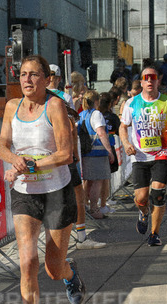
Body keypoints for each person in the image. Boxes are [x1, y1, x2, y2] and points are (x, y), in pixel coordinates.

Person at [0, 55, 84, 304]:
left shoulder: (55, 106)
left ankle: (70, 274)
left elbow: (65, 154)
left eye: (34, 74)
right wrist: (14, 161)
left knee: (53, 269)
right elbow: (2, 147)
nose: (27, 80)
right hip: (25, 194)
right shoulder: (12, 107)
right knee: (27, 262)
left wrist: (29, 165)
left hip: (56, 192)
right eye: (23, 74)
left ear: (47, 80)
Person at [119, 66, 167, 247]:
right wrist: (126, 144)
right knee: (141, 198)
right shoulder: (131, 103)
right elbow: (123, 127)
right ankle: (144, 212)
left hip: (162, 152)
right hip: (139, 156)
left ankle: (155, 234)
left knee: (158, 194)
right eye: (146, 78)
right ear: (141, 82)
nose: (149, 80)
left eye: (152, 77)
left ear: (158, 81)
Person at [47, 65, 103, 249]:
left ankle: (58, 243)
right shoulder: (64, 97)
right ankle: (80, 237)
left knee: (54, 198)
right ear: (58, 79)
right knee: (75, 195)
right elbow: (71, 127)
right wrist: (75, 154)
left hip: (46, 154)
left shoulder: (35, 98)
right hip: (63, 153)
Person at [80, 90, 115, 220]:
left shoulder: (82, 114)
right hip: (97, 153)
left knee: (87, 181)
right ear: (96, 101)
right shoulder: (97, 114)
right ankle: (94, 209)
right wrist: (109, 151)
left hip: (85, 153)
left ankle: (85, 206)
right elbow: (101, 132)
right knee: (97, 182)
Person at [98, 91, 121, 215]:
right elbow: (119, 130)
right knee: (106, 178)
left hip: (93, 150)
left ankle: (95, 203)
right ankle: (103, 203)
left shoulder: (94, 115)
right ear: (110, 104)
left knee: (95, 180)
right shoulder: (112, 117)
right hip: (108, 148)